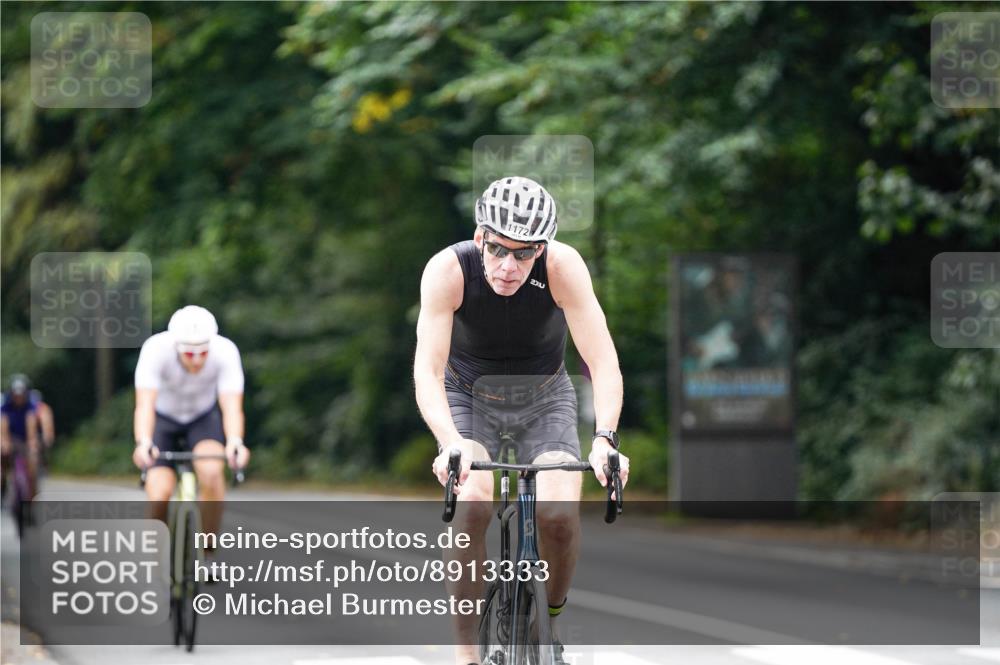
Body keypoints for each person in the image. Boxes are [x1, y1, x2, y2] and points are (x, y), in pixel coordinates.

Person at [414, 176, 630, 665]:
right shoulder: (447, 271)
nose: (508, 266)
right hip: (468, 397)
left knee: (557, 515)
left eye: (524, 253)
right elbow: (427, 368)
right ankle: (467, 650)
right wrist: (448, 441)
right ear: (479, 236)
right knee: (470, 505)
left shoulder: (563, 267)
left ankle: (549, 620)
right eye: (497, 249)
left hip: (544, 399)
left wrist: (604, 440)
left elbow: (603, 363)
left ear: (542, 249)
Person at [132, 305, 250, 545]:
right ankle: (160, 558)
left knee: (212, 471)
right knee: (159, 494)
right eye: (189, 354)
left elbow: (231, 405)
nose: (197, 360)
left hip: (202, 419)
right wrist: (143, 442)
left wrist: (235, 442)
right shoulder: (155, 349)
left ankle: (207, 551)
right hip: (163, 419)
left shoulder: (225, 351)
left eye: (203, 354)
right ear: (176, 346)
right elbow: (145, 404)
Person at [1, 374, 40, 503]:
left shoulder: (30, 407)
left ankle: (33, 500)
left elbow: (31, 425)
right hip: (10, 439)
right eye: (16, 394)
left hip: (24, 440)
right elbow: (3, 426)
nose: (18, 397)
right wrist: (5, 442)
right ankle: (3, 488)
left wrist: (32, 443)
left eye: (21, 394)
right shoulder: (6, 407)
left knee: (33, 466)